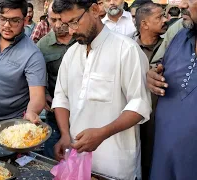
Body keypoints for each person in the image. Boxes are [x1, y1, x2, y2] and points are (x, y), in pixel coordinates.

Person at [51, 0, 151, 179]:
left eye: (74, 22)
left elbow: (139, 105)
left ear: (95, 10)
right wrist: (65, 134)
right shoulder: (71, 54)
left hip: (115, 164)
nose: (71, 31)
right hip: (77, 161)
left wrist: (102, 134)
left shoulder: (126, 50)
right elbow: (61, 97)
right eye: (65, 24)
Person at [147, 0, 197, 179]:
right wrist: (152, 75)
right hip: (163, 159)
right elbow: (160, 67)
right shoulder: (180, 35)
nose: (182, 4)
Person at [132, 3, 167, 180]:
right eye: (159, 17)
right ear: (144, 24)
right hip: (135, 122)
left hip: (162, 122)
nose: (165, 20)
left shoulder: (171, 46)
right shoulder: (128, 48)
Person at [36, 2, 75, 159]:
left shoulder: (82, 39)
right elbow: (37, 75)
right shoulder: (42, 46)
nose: (58, 25)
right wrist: (43, 94)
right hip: (55, 111)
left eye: (61, 19)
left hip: (82, 110)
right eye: (53, 20)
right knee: (53, 155)